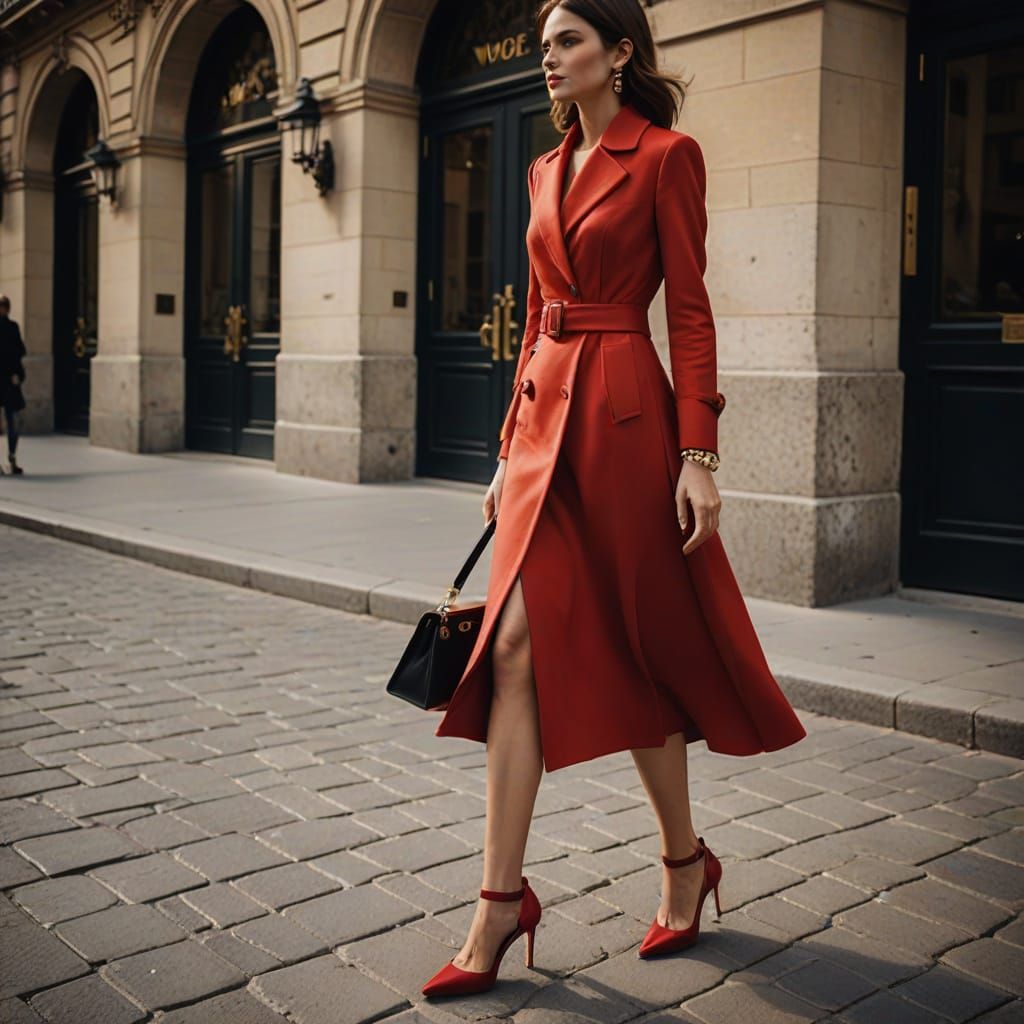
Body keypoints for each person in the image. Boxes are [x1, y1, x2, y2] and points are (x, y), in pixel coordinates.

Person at [421, 0, 806, 999]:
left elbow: (688, 311)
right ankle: (499, 902)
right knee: (508, 647)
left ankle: (685, 861)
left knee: (639, 650)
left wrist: (698, 453)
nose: (547, 60)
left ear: (619, 53)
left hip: (629, 426)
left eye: (568, 43)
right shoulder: (543, 169)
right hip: (545, 425)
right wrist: (507, 448)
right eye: (544, 45)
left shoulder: (667, 156)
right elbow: (537, 318)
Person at [0, 294, 26, 476]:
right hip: (7, 379)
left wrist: (18, 375)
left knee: (13, 421)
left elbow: (20, 351)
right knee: (10, 421)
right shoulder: (12, 327)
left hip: (9, 380)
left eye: (4, 305)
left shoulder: (12, 327)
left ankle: (11, 458)